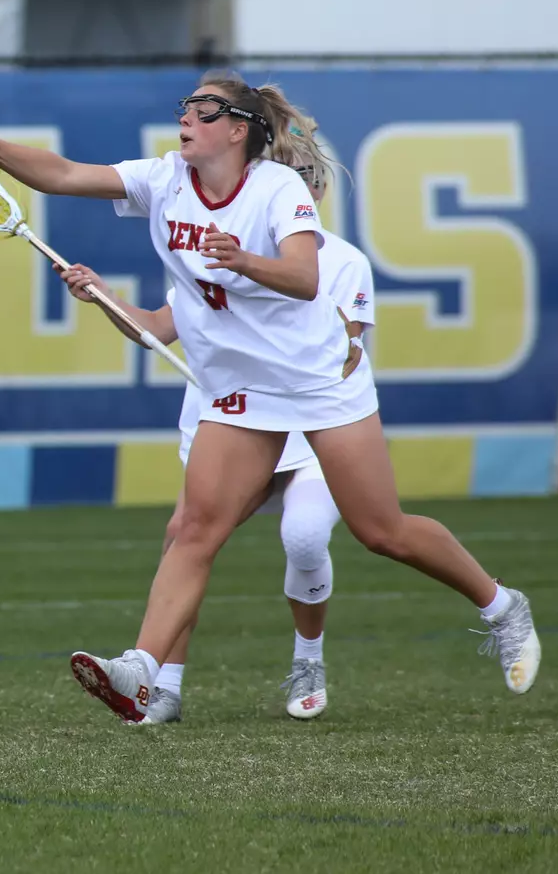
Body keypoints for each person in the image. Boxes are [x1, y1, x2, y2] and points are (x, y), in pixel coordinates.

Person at [0, 72, 540, 724]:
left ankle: (501, 606)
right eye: (186, 107)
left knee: (383, 531)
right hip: (242, 391)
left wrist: (243, 260)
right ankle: (141, 670)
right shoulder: (164, 179)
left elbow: (307, 277)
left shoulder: (277, 188)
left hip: (317, 382)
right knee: (194, 532)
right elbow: (61, 174)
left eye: (204, 110)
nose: (187, 118)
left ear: (237, 129)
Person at [52, 148, 375, 723]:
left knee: (307, 537)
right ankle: (161, 685)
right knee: (184, 537)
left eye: (301, 181)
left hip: (306, 430)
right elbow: (155, 328)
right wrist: (102, 295)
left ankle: (308, 659)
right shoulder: (208, 247)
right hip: (234, 421)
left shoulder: (341, 261)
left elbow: (347, 350)